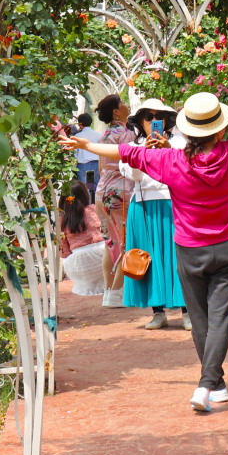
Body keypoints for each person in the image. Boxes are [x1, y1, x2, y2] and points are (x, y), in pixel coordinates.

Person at [59, 62, 228, 412]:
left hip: (190, 249)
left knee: (200, 317)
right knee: (220, 316)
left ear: (188, 131)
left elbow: (125, 152)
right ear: (220, 129)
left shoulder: (172, 161)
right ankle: (212, 384)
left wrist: (86, 145)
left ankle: (211, 384)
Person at [120, 98, 190, 331]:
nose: (154, 121)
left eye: (159, 117)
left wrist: (166, 149)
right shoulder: (134, 146)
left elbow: (186, 168)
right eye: (148, 117)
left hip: (173, 204)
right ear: (140, 121)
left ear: (166, 120)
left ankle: (187, 312)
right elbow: (133, 175)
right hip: (143, 207)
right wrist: (145, 153)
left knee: (178, 259)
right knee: (148, 259)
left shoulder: (179, 143)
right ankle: (158, 312)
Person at [94, 94, 136, 308]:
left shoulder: (103, 136)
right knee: (126, 240)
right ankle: (117, 292)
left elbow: (101, 166)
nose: (126, 105)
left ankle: (108, 291)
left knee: (110, 242)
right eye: (122, 103)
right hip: (121, 191)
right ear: (116, 112)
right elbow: (132, 164)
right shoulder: (127, 135)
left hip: (102, 191)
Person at [58, 180, 107, 297]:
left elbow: (64, 251)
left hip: (78, 266)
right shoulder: (93, 209)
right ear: (84, 195)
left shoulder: (62, 219)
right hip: (101, 258)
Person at [74, 112, 102, 200]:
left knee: (86, 190)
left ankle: (88, 207)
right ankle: (98, 207)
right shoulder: (98, 135)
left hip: (84, 166)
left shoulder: (78, 136)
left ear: (80, 124)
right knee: (97, 189)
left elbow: (74, 153)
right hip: (96, 165)